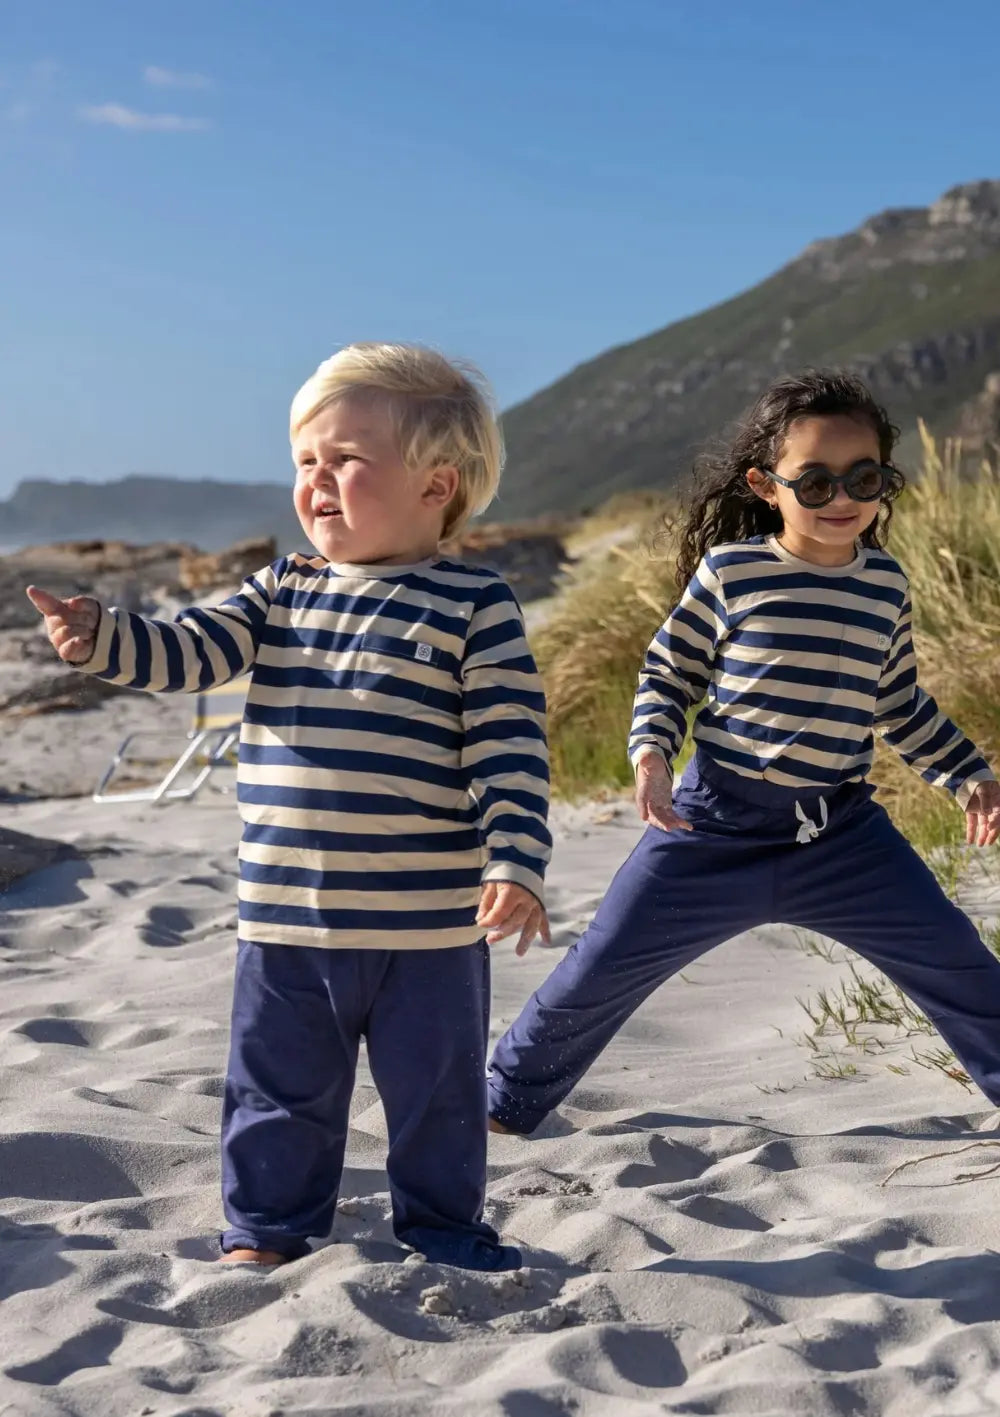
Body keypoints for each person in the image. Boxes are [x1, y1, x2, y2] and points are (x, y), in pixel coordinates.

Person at [28, 342, 551, 1270]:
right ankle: (268, 1230)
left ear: (438, 484)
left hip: (426, 925)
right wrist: (101, 638)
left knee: (437, 1096)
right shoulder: (283, 588)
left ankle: (442, 1229)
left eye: (346, 460)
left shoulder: (475, 602)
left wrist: (516, 859)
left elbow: (508, 744)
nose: (316, 482)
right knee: (278, 1090)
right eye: (305, 461)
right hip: (286, 916)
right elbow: (188, 651)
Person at [487, 369, 1000, 1138]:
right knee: (596, 973)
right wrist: (652, 755)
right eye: (815, 482)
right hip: (708, 831)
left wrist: (970, 776)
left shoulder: (885, 585)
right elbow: (670, 672)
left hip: (842, 838)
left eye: (864, 477)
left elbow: (897, 702)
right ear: (767, 484)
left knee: (959, 963)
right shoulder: (733, 572)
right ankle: (501, 1106)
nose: (842, 499)